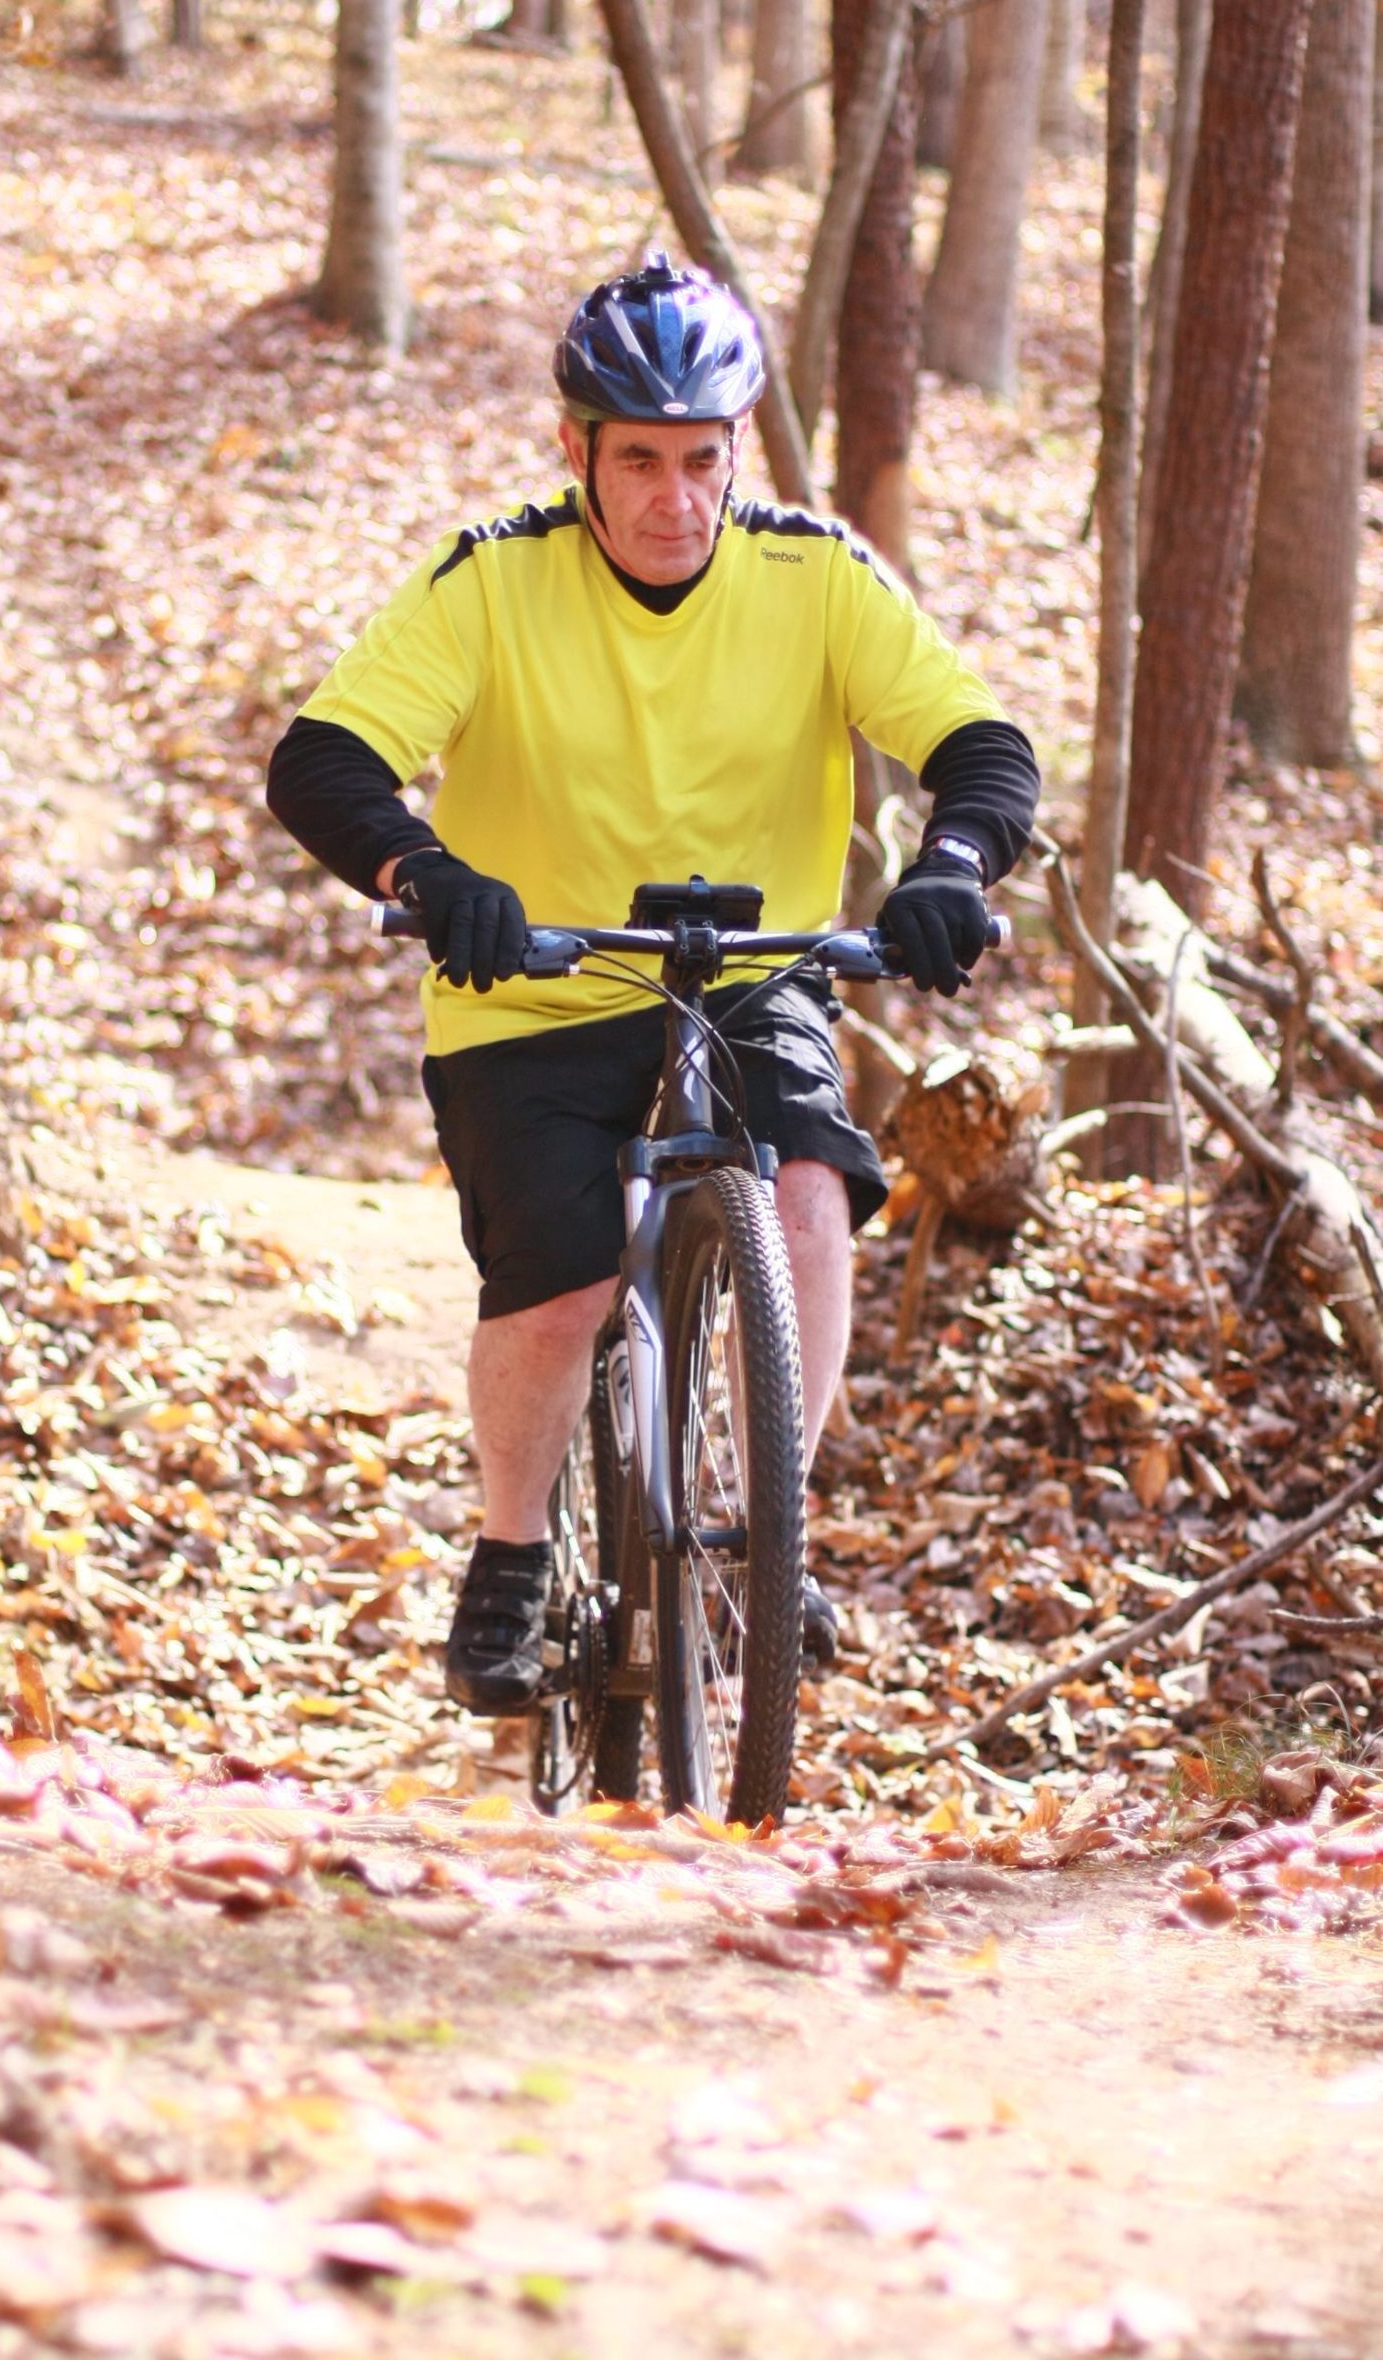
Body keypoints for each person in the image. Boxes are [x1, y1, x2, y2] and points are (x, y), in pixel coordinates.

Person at [266, 255, 1038, 1716]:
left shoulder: (816, 576)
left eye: (701, 459)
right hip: (535, 997)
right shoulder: (490, 578)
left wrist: (950, 870)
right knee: (559, 1290)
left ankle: (773, 1529)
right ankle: (506, 1556)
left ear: (737, 449)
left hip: (752, 981)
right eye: (637, 461)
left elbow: (978, 743)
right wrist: (427, 878)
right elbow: (324, 762)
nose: (674, 498)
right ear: (575, 453)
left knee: (811, 1192)